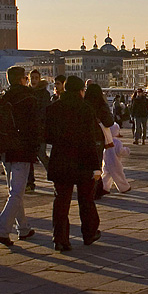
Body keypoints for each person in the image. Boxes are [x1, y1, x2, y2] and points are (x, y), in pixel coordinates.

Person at [44, 76, 101, 252]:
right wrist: (96, 166)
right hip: (83, 160)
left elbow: (47, 136)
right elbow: (91, 140)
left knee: (61, 201)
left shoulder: (53, 108)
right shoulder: (85, 109)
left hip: (61, 159)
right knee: (86, 199)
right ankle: (89, 233)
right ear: (80, 91)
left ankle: (60, 239)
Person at [0, 67, 39, 247]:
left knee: (14, 191)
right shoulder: (28, 98)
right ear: (22, 79)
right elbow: (35, 126)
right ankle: (2, 231)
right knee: (17, 193)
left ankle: (23, 228)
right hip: (22, 150)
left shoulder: (2, 98)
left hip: (4, 150)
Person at [25, 69, 53, 193]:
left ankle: (54, 176)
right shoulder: (27, 92)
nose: (34, 80)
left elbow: (44, 111)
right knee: (29, 157)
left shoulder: (44, 94)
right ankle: (30, 183)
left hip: (40, 129)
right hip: (29, 130)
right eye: (32, 77)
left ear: (39, 78)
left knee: (41, 155)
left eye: (36, 78)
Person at [101, 123, 131, 194]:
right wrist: (126, 150)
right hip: (115, 162)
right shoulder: (117, 142)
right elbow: (120, 151)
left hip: (106, 161)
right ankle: (124, 187)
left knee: (106, 175)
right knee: (119, 175)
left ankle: (104, 188)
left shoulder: (106, 141)